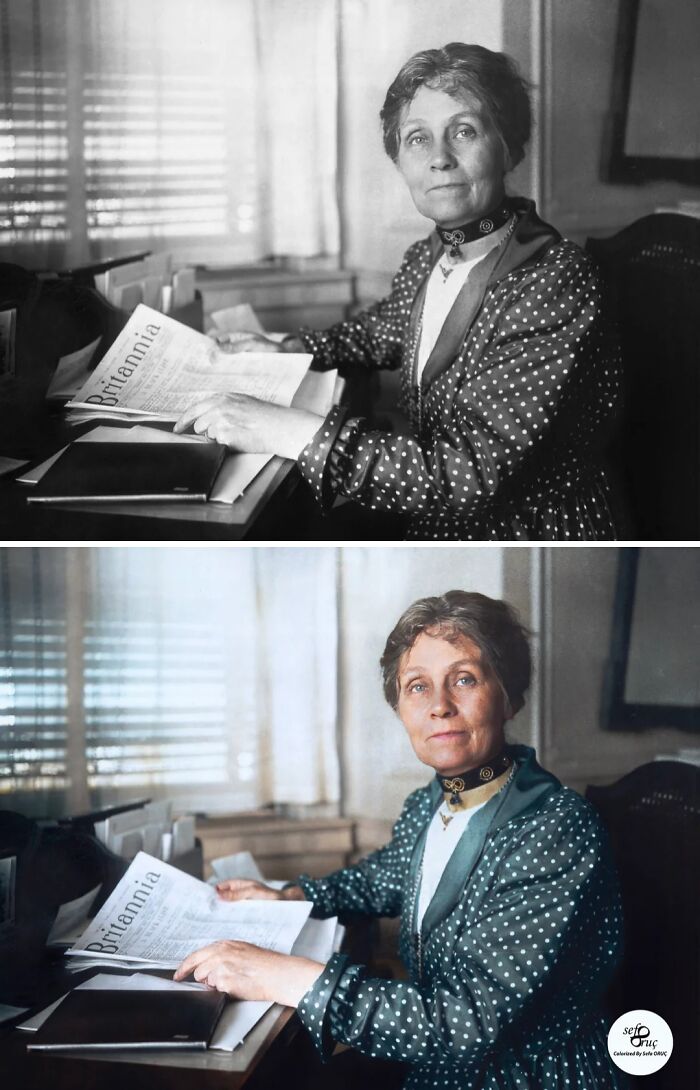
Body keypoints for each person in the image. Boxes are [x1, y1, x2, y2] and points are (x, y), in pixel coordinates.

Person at [174, 590, 626, 1089]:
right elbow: (388, 876)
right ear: (400, 709)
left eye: (464, 679)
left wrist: (284, 976)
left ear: (510, 696)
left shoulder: (554, 827)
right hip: (442, 1066)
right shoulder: (430, 803)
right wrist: (293, 894)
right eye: (417, 687)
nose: (440, 706)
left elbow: (469, 1022)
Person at [175, 43, 622, 541]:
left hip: (524, 527)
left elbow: (468, 474)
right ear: (400, 162)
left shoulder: (553, 278)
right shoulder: (427, 256)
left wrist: (284, 428)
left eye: (465, 131)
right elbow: (385, 329)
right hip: (435, 516)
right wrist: (291, 346)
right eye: (417, 139)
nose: (440, 159)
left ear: (510, 147)